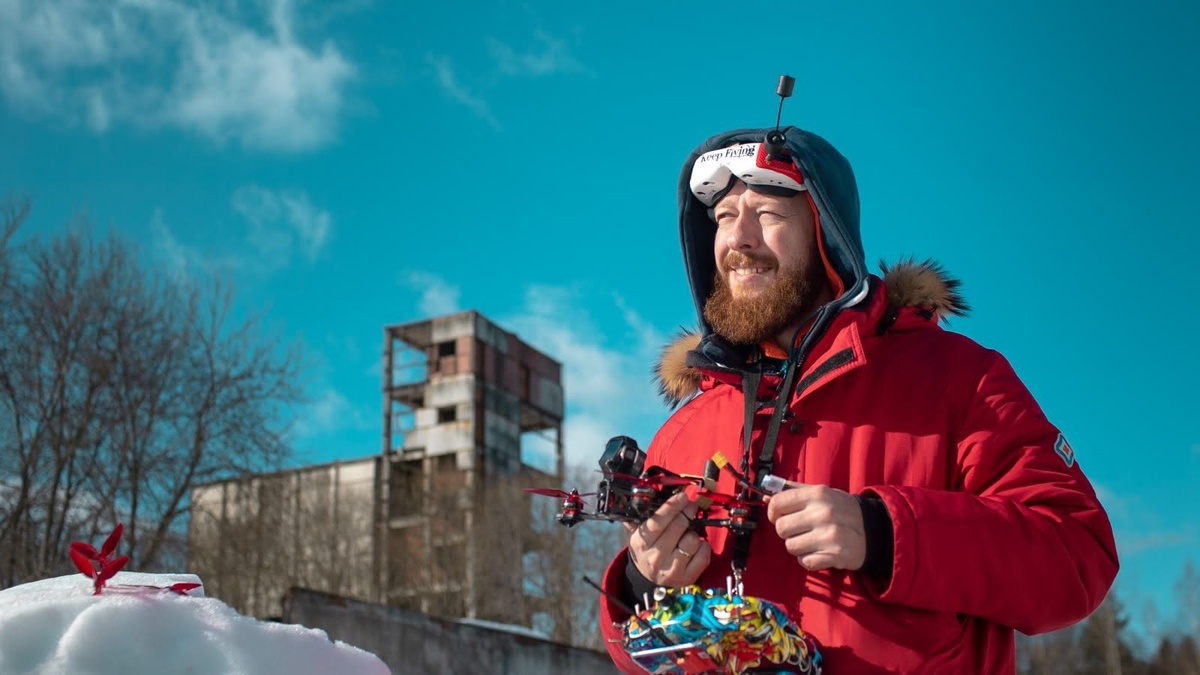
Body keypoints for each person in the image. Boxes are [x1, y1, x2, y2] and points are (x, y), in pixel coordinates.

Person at [596, 125, 1119, 673]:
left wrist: (885, 533)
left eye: (767, 214)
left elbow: (1078, 557)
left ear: (826, 234)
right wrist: (640, 583)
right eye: (724, 217)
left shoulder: (959, 379)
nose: (738, 238)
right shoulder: (682, 432)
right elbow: (643, 657)